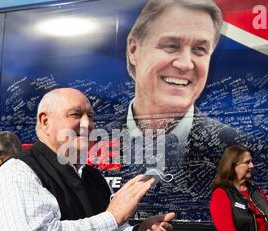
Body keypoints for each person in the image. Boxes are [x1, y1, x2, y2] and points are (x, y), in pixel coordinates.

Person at [0, 88, 175, 231]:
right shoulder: (17, 172)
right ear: (45, 122)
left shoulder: (94, 177)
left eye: (90, 116)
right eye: (75, 114)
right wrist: (112, 218)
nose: (87, 124)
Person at [104, 0, 248, 204]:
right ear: (134, 50)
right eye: (171, 46)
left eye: (199, 49)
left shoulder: (239, 148)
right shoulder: (90, 144)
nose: (185, 64)